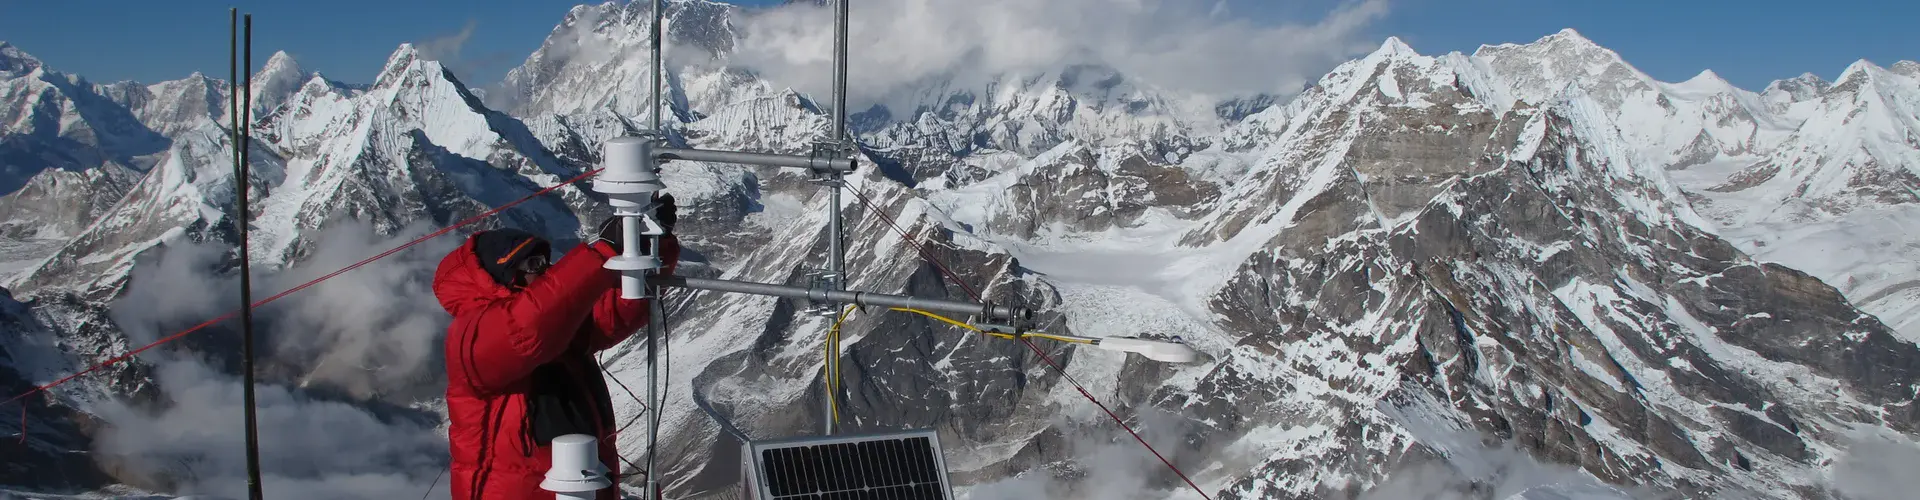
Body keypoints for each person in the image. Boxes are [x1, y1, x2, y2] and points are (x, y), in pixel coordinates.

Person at [434, 194, 681, 500]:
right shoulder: (473, 335)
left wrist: (650, 245)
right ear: (505, 276)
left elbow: (612, 312)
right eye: (534, 263)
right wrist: (601, 253)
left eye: (546, 263)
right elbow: (526, 327)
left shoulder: (557, 331)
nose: (545, 271)